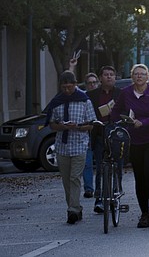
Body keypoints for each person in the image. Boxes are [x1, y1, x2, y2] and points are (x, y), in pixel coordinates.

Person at [111, 64, 149, 228]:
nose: (139, 76)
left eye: (142, 74)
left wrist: (143, 122)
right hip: (134, 139)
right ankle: (144, 213)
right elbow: (116, 111)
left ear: (147, 77)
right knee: (140, 176)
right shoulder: (126, 92)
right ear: (132, 76)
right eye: (136, 74)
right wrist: (119, 122)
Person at [46, 69, 96, 224]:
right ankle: (75, 207)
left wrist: (78, 127)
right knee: (66, 179)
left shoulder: (84, 100)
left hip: (79, 144)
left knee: (75, 177)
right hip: (62, 145)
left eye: (70, 86)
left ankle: (72, 210)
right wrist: (61, 126)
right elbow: (51, 124)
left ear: (75, 84)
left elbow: (91, 124)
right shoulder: (57, 102)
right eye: (64, 87)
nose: (67, 90)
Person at [87, 64, 122, 214]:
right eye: (106, 74)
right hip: (99, 134)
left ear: (115, 78)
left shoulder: (121, 94)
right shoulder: (92, 95)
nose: (109, 77)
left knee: (118, 167)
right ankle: (99, 198)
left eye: (111, 75)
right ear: (100, 78)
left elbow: (128, 111)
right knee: (101, 168)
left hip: (116, 134)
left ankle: (116, 194)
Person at [82, 72, 99, 199]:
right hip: (87, 133)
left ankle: (99, 189)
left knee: (100, 163)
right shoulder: (83, 97)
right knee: (87, 163)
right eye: (90, 83)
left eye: (94, 82)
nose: (92, 85)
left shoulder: (101, 96)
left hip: (99, 134)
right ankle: (89, 189)